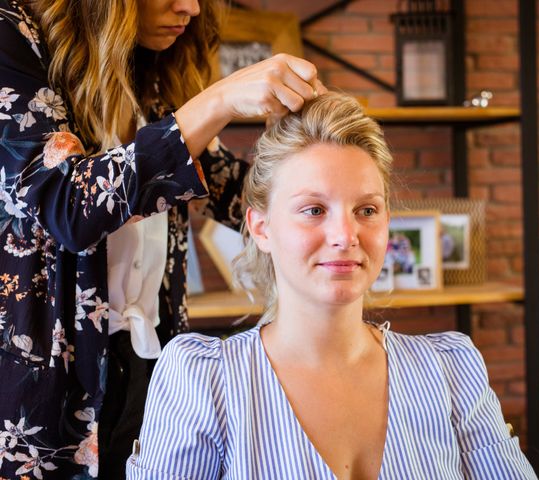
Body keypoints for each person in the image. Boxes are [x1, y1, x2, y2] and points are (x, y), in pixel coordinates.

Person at [127, 92, 537, 479]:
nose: (346, 234)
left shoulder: (452, 370)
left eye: (367, 209)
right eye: (314, 209)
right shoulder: (203, 381)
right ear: (261, 228)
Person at [0, 0, 325, 478]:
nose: (190, 7)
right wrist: (219, 100)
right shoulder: (12, 33)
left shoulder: (148, 68)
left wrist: (323, 187)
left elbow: (229, 190)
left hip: (152, 357)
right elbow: (65, 206)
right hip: (42, 382)